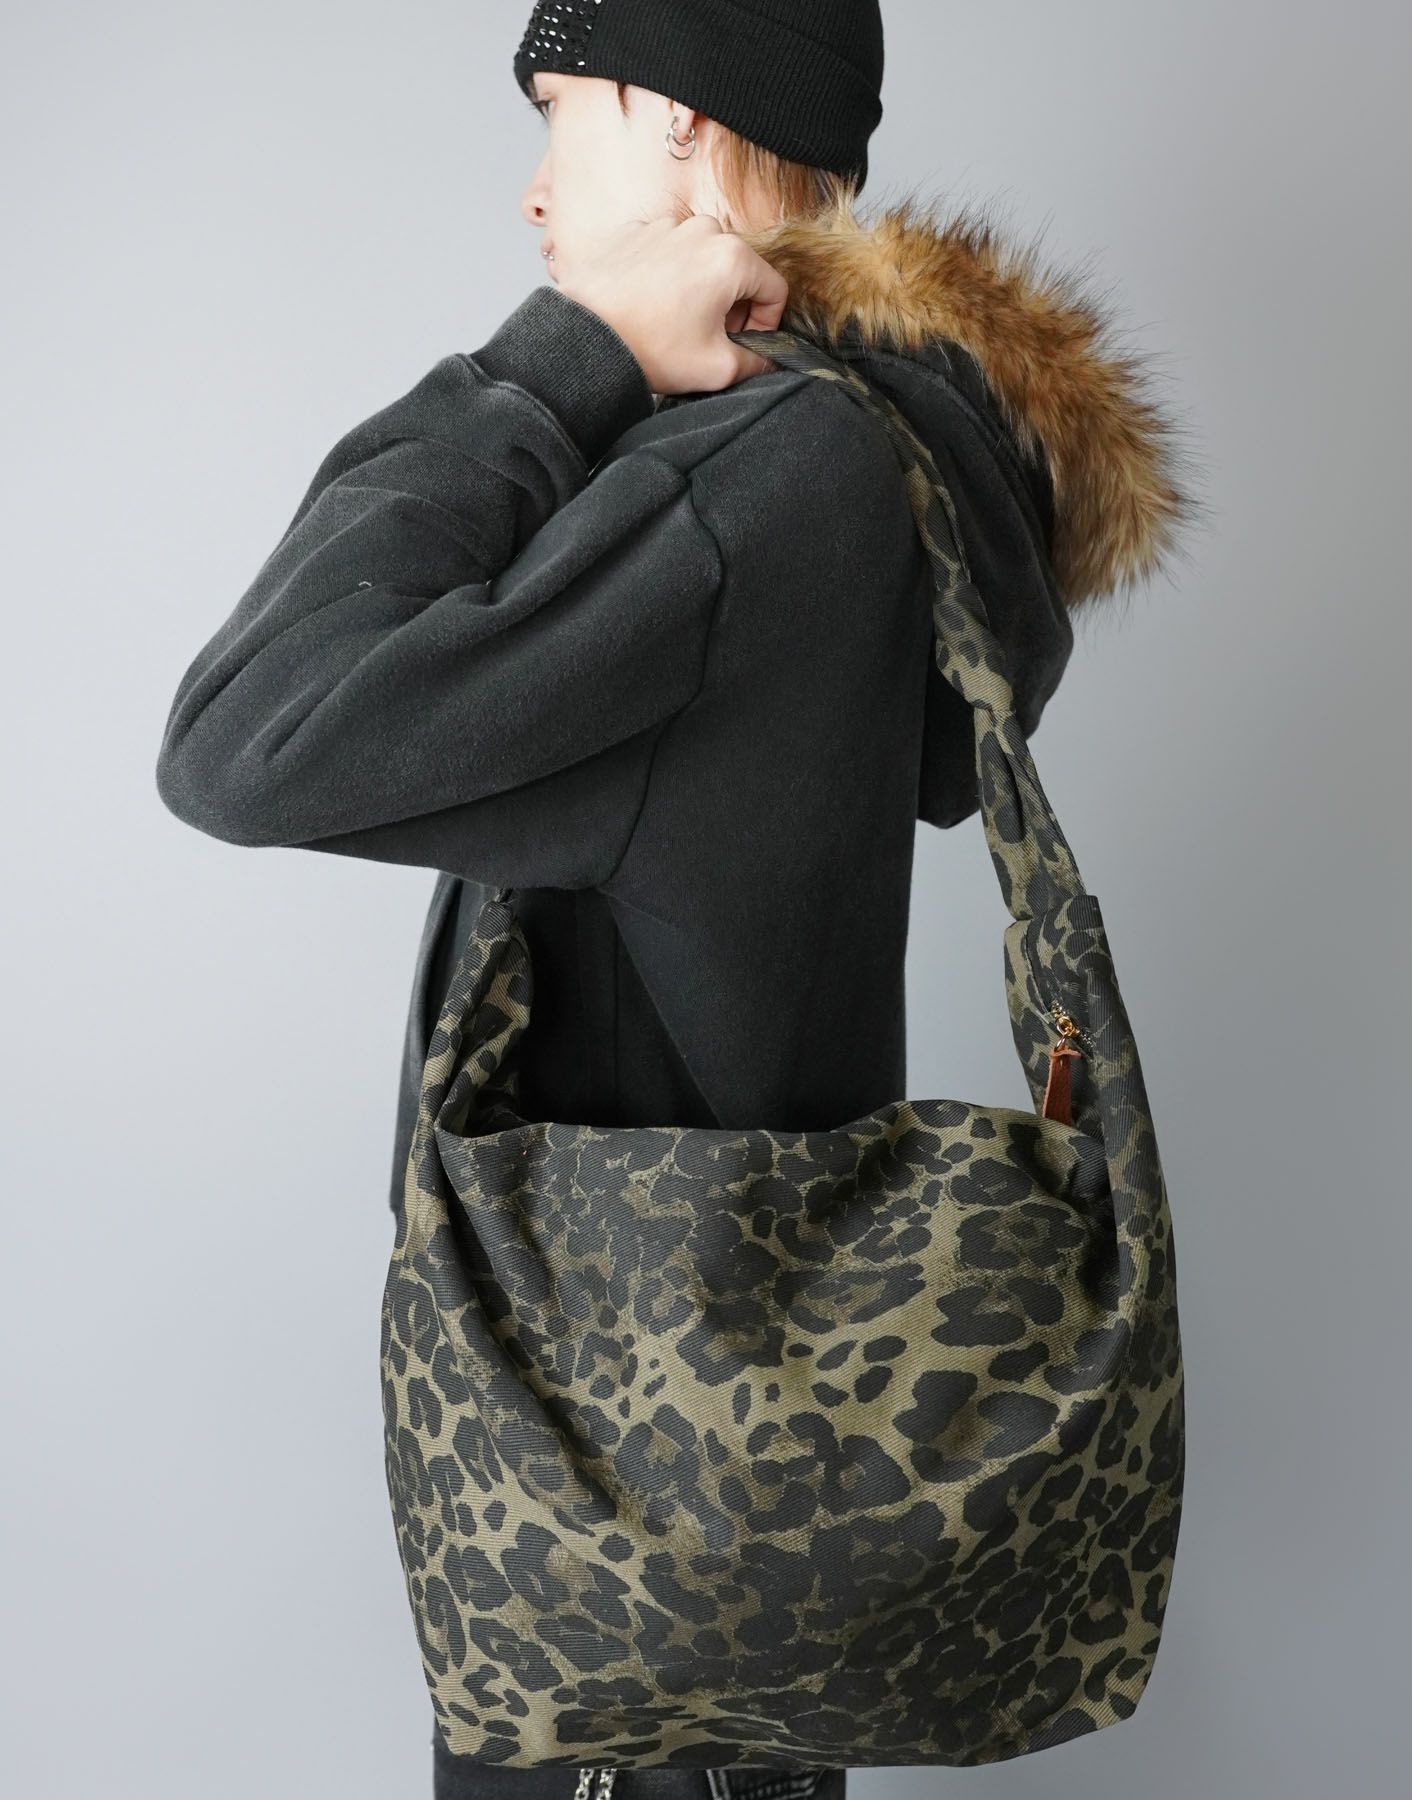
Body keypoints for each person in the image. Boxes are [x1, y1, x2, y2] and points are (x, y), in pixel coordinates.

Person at [153, 3, 1194, 1797]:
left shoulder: (751, 487)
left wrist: (550, 367)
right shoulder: (856, 462)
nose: (536, 192)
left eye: (563, 112)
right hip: (740, 1484)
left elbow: (245, 738)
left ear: (684, 122)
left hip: (625, 1511)